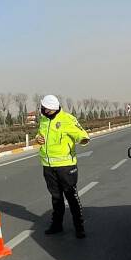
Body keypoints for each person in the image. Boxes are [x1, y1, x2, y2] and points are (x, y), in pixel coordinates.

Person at [34, 95, 90, 237]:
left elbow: (81, 133)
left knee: (72, 197)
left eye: (43, 107)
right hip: (48, 166)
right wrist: (37, 138)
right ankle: (57, 225)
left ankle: (79, 227)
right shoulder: (44, 120)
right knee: (56, 198)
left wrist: (82, 139)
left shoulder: (67, 119)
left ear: (50, 108)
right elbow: (40, 135)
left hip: (66, 167)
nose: (42, 109)